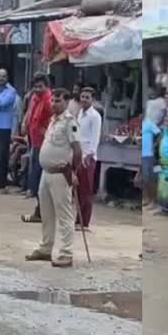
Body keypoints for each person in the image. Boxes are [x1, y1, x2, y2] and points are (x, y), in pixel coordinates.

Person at [25, 88, 83, 268]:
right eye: (53, 101)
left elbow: (77, 149)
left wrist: (73, 171)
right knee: (46, 213)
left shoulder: (69, 122)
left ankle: (66, 253)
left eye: (58, 101)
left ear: (66, 102)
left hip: (60, 172)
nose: (54, 103)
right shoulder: (52, 121)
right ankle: (45, 247)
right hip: (46, 172)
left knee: (64, 214)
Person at [20, 73, 53, 220]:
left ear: (47, 87)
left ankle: (42, 212)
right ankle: (39, 210)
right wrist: (24, 124)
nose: (38, 89)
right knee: (36, 177)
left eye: (41, 86)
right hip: (34, 141)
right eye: (35, 86)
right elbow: (29, 113)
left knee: (41, 179)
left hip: (45, 144)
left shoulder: (49, 100)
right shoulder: (34, 98)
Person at [76, 87, 102, 230]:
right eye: (82, 97)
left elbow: (95, 138)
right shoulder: (80, 113)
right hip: (79, 154)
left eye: (87, 97)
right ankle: (77, 219)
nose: (84, 99)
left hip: (88, 157)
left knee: (86, 190)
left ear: (92, 99)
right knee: (78, 190)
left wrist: (89, 155)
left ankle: (84, 222)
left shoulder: (95, 116)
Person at [142, 116, 161, 207]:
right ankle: (147, 199)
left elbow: (159, 134)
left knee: (150, 178)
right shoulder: (140, 125)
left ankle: (153, 201)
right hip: (142, 154)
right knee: (145, 179)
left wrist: (155, 145)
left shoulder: (149, 123)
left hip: (148, 154)